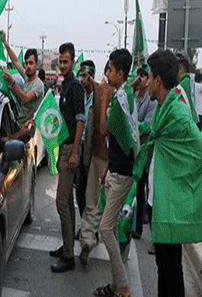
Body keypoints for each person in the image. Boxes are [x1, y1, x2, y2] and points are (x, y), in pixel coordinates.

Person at [134, 49, 202, 297]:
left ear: (158, 81)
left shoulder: (178, 111)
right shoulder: (164, 106)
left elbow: (198, 149)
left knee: (171, 268)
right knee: (164, 266)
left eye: (149, 77)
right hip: (158, 199)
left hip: (171, 201)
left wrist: (185, 182)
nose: (146, 82)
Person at [95, 49, 138, 297]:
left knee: (105, 228)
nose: (107, 73)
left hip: (123, 174)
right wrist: (107, 169)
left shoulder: (121, 99)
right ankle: (115, 283)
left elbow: (104, 129)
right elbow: (119, 141)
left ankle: (121, 284)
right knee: (109, 228)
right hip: (116, 169)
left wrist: (103, 96)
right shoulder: (125, 93)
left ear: (120, 73)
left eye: (110, 70)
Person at [49, 42, 85, 273]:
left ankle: (69, 256)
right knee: (68, 203)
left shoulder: (76, 86)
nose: (62, 65)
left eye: (66, 61)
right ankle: (68, 245)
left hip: (70, 148)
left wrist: (74, 152)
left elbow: (81, 120)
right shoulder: (64, 85)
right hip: (63, 147)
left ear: (73, 62)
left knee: (61, 200)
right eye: (60, 61)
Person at [79, 62, 115, 266]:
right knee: (104, 206)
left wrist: (87, 158)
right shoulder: (117, 94)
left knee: (92, 203)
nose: (107, 73)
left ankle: (87, 239)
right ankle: (97, 242)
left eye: (109, 70)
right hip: (110, 160)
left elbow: (96, 129)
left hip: (99, 157)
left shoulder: (104, 93)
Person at [0, 31, 44, 144]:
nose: (28, 66)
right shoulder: (26, 76)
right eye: (26, 63)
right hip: (18, 124)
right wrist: (5, 43)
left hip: (27, 132)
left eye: (31, 63)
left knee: (3, 142)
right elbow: (15, 60)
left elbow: (24, 98)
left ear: (36, 65)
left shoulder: (38, 85)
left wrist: (12, 81)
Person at [131, 63, 157, 240]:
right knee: (139, 188)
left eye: (143, 75)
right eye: (138, 75)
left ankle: (155, 235)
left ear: (149, 79)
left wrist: (133, 125)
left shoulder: (152, 99)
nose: (140, 79)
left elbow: (147, 126)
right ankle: (138, 227)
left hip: (148, 149)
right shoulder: (134, 96)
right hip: (137, 150)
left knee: (151, 190)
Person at [75, 60, 96, 232]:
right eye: (80, 75)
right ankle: (84, 226)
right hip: (80, 147)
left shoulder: (98, 98)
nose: (82, 79)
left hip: (93, 150)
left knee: (91, 193)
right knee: (79, 190)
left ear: (92, 76)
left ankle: (91, 230)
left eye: (84, 75)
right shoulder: (80, 96)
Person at [175, 52, 198, 123]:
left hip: (189, 122)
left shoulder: (182, 85)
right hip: (195, 119)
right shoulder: (191, 80)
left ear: (181, 70)